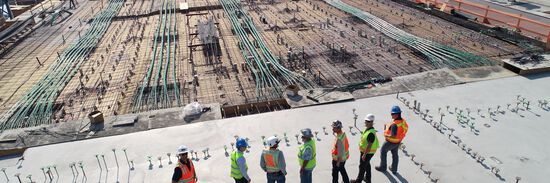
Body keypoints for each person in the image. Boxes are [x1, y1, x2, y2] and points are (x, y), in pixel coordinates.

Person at [375, 106, 409, 174]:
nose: (391, 115)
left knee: (383, 152)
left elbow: (393, 135)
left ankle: (383, 167)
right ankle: (394, 169)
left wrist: (385, 134)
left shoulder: (394, 125)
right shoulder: (402, 121)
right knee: (395, 155)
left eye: (392, 114)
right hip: (398, 141)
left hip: (390, 142)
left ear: (396, 114)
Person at [351, 114, 379, 183]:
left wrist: (364, 155)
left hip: (367, 152)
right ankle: (368, 179)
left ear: (371, 122)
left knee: (362, 167)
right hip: (367, 152)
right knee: (367, 165)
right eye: (365, 121)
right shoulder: (368, 129)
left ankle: (358, 181)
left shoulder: (371, 133)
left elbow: (369, 145)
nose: (365, 122)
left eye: (367, 121)